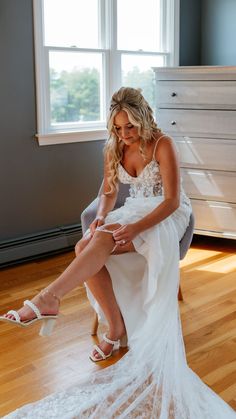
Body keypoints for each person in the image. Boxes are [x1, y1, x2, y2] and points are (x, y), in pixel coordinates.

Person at [1, 87, 235, 418]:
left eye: (130, 127)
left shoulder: (163, 144)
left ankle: (48, 300)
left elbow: (171, 201)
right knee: (85, 243)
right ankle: (114, 326)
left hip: (166, 214)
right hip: (138, 208)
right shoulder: (113, 147)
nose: (124, 135)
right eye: (118, 128)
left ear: (144, 119)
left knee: (97, 241)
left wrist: (136, 229)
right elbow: (109, 191)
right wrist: (99, 218)